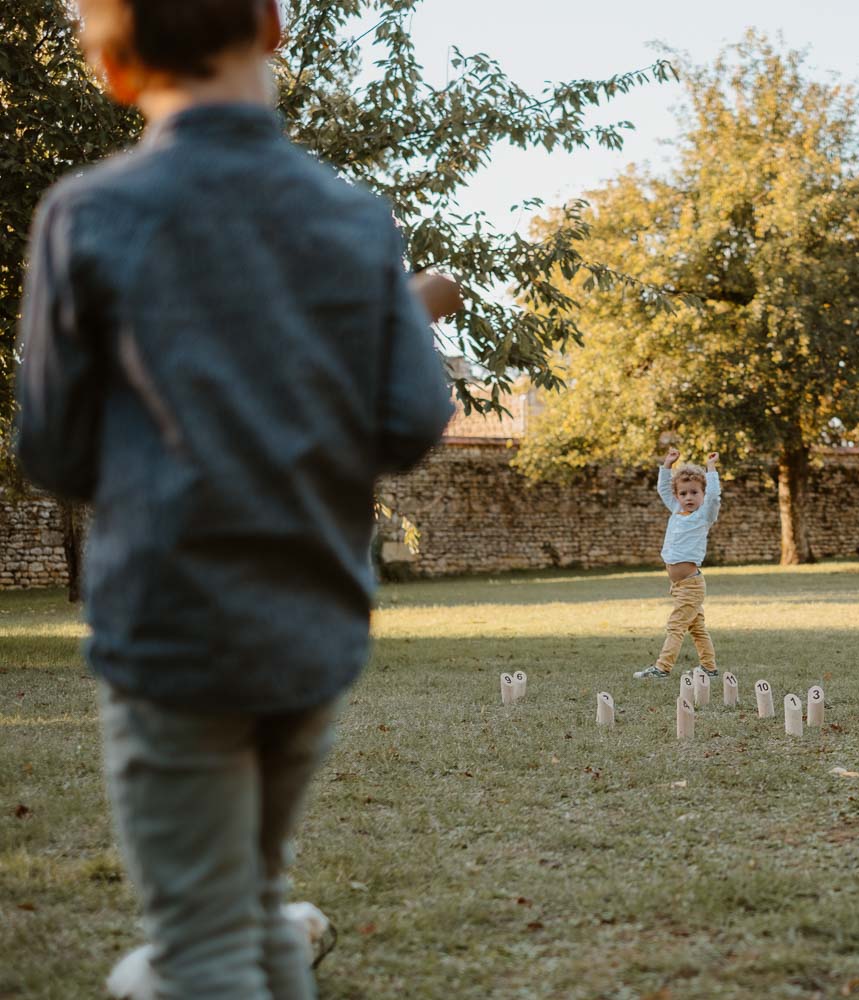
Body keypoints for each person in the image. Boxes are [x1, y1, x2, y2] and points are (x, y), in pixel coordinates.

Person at [16, 1, 457, 995]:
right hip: (312, 632)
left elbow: (51, 448)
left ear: (114, 70)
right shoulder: (353, 218)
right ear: (271, 26)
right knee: (255, 907)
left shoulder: (87, 214)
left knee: (202, 949)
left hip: (172, 635)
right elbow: (410, 423)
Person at [634, 448, 723, 679]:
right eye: (683, 494)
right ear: (677, 497)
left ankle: (662, 668)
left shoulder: (705, 514)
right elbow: (664, 488)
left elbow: (714, 496)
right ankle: (709, 668)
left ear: (702, 495)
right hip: (679, 586)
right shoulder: (676, 510)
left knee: (676, 626)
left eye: (694, 492)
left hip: (691, 584)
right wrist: (667, 465)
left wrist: (711, 469)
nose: (689, 497)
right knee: (697, 628)